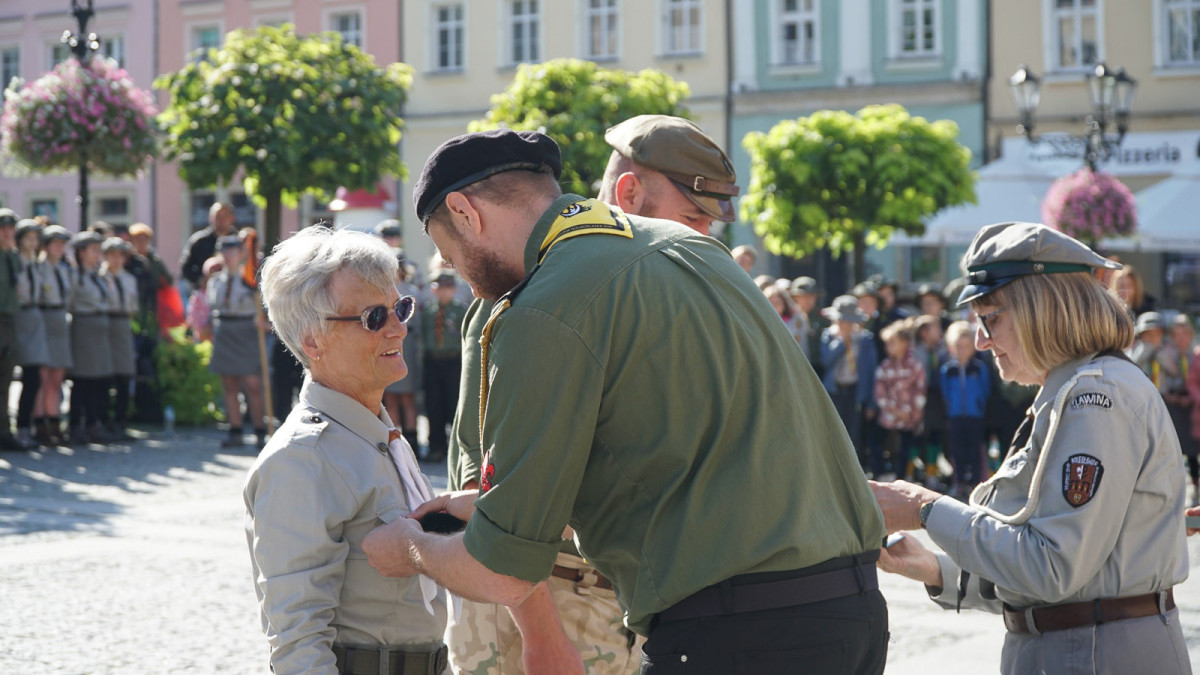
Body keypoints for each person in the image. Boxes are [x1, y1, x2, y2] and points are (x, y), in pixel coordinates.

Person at [363, 129, 888, 675]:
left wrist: (407, 548)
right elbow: (678, 464)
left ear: (464, 211)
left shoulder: (542, 306)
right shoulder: (692, 247)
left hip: (737, 629)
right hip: (852, 610)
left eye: (453, 257)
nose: (469, 284)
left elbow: (503, 572)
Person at [872, 221, 1189, 675]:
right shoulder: (1070, 392)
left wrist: (925, 507)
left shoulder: (1092, 396)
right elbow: (1057, 574)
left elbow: (1053, 569)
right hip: (1084, 644)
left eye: (991, 318)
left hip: (1096, 651)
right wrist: (938, 570)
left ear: (1041, 308)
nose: (981, 340)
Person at [245, 226, 452, 674]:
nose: (399, 327)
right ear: (313, 341)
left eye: (400, 307)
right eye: (374, 317)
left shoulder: (374, 431)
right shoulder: (302, 458)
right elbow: (298, 639)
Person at [208, 234, 267, 448]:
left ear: (241, 254)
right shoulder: (215, 281)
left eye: (233, 251)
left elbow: (266, 308)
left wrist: (265, 322)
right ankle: (235, 429)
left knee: (252, 383)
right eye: (225, 252)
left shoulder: (251, 279)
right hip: (224, 329)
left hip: (247, 330)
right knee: (229, 382)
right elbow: (211, 308)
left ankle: (260, 429)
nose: (229, 256)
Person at [821, 295, 879, 473]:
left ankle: (854, 472)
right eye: (841, 321)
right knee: (834, 432)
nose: (845, 325)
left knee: (854, 434)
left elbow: (870, 371)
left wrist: (870, 401)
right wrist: (840, 342)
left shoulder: (864, 339)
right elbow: (826, 361)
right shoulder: (829, 336)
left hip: (855, 391)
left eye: (849, 322)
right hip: (835, 390)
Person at [66, 231, 114, 444]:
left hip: (99, 328)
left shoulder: (99, 276)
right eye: (93, 250)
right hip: (84, 327)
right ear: (82, 252)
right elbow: (69, 302)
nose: (98, 255)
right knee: (82, 379)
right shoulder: (75, 277)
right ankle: (76, 425)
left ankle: (94, 423)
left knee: (98, 379)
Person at [940, 320, 991, 496]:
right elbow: (945, 392)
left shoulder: (978, 368)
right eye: (958, 346)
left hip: (974, 415)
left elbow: (985, 390)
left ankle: (976, 483)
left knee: (975, 450)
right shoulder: (947, 369)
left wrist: (978, 405)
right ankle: (959, 482)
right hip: (955, 415)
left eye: (966, 346)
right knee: (957, 450)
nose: (962, 350)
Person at [420, 271, 466, 463]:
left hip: (453, 361)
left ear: (454, 289)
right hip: (433, 361)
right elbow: (423, 335)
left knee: (454, 404)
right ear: (433, 289)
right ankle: (436, 446)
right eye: (439, 287)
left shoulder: (461, 310)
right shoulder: (428, 312)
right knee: (434, 404)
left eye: (448, 287)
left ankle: (456, 449)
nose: (443, 292)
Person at [874, 320, 926, 482]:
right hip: (889, 414)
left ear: (904, 343)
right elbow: (880, 390)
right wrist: (890, 409)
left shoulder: (914, 365)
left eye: (892, 342)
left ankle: (901, 477)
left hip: (907, 415)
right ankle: (881, 473)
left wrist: (913, 411)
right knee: (877, 442)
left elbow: (920, 389)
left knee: (905, 448)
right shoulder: (885, 366)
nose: (888, 346)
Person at [13, 220, 50, 448]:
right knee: (18, 375)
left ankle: (25, 426)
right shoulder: (14, 262)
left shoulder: (36, 265)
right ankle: (17, 426)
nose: (32, 243)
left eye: (35, 239)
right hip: (18, 316)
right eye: (28, 238)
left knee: (34, 376)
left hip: (35, 318)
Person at [36, 225, 74, 446]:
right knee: (43, 375)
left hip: (60, 318)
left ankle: (54, 421)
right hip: (44, 317)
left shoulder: (63, 269)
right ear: (47, 245)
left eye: (62, 244)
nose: (60, 247)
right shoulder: (38, 268)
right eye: (56, 243)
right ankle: (40, 423)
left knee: (57, 377)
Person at [383, 250, 422, 453]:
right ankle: (394, 438)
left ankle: (412, 438)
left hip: (408, 344)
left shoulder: (412, 291)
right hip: (387, 342)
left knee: (407, 396)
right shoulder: (380, 291)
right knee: (390, 396)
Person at [0, 209, 33, 451]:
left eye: (11, 229)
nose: (7, 233)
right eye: (3, 228)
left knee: (6, 380)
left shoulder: (12, 256)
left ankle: (4, 432)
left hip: (10, 321)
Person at [101, 238, 138, 438]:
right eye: (112, 255)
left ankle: (121, 421)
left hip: (123, 323)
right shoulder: (99, 277)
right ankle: (104, 420)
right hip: (106, 322)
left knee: (125, 374)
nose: (116, 259)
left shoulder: (129, 279)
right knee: (106, 375)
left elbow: (134, 307)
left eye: (120, 255)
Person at [1165, 314, 1197, 505]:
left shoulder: (1196, 354)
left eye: (1184, 333)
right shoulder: (1166, 355)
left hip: (1194, 407)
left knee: (1193, 449)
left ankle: (1195, 484)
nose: (1180, 338)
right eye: (1175, 334)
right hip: (1173, 406)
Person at [180, 202, 236, 290]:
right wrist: (199, 280)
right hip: (204, 292)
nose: (221, 220)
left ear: (232, 218)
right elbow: (185, 267)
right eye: (218, 216)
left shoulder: (238, 241)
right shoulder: (199, 241)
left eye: (225, 216)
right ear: (211, 218)